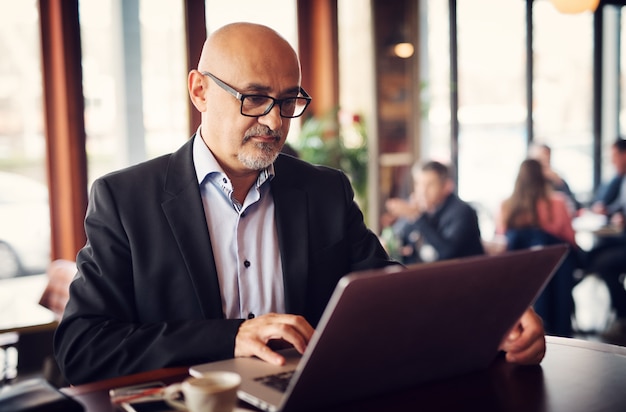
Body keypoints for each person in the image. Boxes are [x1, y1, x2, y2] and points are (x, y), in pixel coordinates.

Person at [54, 22, 547, 385]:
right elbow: (82, 349)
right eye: (254, 98)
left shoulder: (324, 191)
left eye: (288, 100)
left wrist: (486, 315)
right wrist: (229, 337)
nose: (274, 121)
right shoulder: (124, 199)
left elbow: (386, 294)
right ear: (199, 91)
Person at [496, 159, 580, 337]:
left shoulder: (506, 206)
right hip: (557, 274)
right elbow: (571, 240)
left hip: (520, 275)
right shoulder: (557, 203)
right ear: (543, 178)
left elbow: (501, 243)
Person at [384, 161, 484, 264]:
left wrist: (416, 216)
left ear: (446, 186)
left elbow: (448, 253)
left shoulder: (462, 212)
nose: (422, 191)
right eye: (418, 184)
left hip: (465, 275)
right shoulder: (422, 208)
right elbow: (399, 236)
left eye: (429, 185)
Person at [587, 138, 626, 344]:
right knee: (595, 254)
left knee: (603, 263)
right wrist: (611, 212)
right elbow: (606, 201)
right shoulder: (620, 180)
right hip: (619, 238)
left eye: (614, 157)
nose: (613, 162)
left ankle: (623, 316)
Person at [528, 142, 581, 213]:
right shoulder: (527, 182)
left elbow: (574, 205)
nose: (545, 163)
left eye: (547, 159)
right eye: (541, 160)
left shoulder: (556, 179)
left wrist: (559, 183)